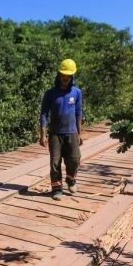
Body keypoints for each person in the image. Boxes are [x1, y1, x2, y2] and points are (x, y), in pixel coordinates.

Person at [39, 59, 84, 200]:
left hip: (71, 132)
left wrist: (79, 133)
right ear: (59, 75)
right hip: (55, 133)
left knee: (75, 159)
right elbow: (43, 113)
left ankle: (71, 179)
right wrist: (43, 134)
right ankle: (57, 188)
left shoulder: (76, 93)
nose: (65, 78)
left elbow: (78, 113)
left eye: (68, 76)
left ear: (72, 77)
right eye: (63, 75)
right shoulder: (50, 93)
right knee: (55, 162)